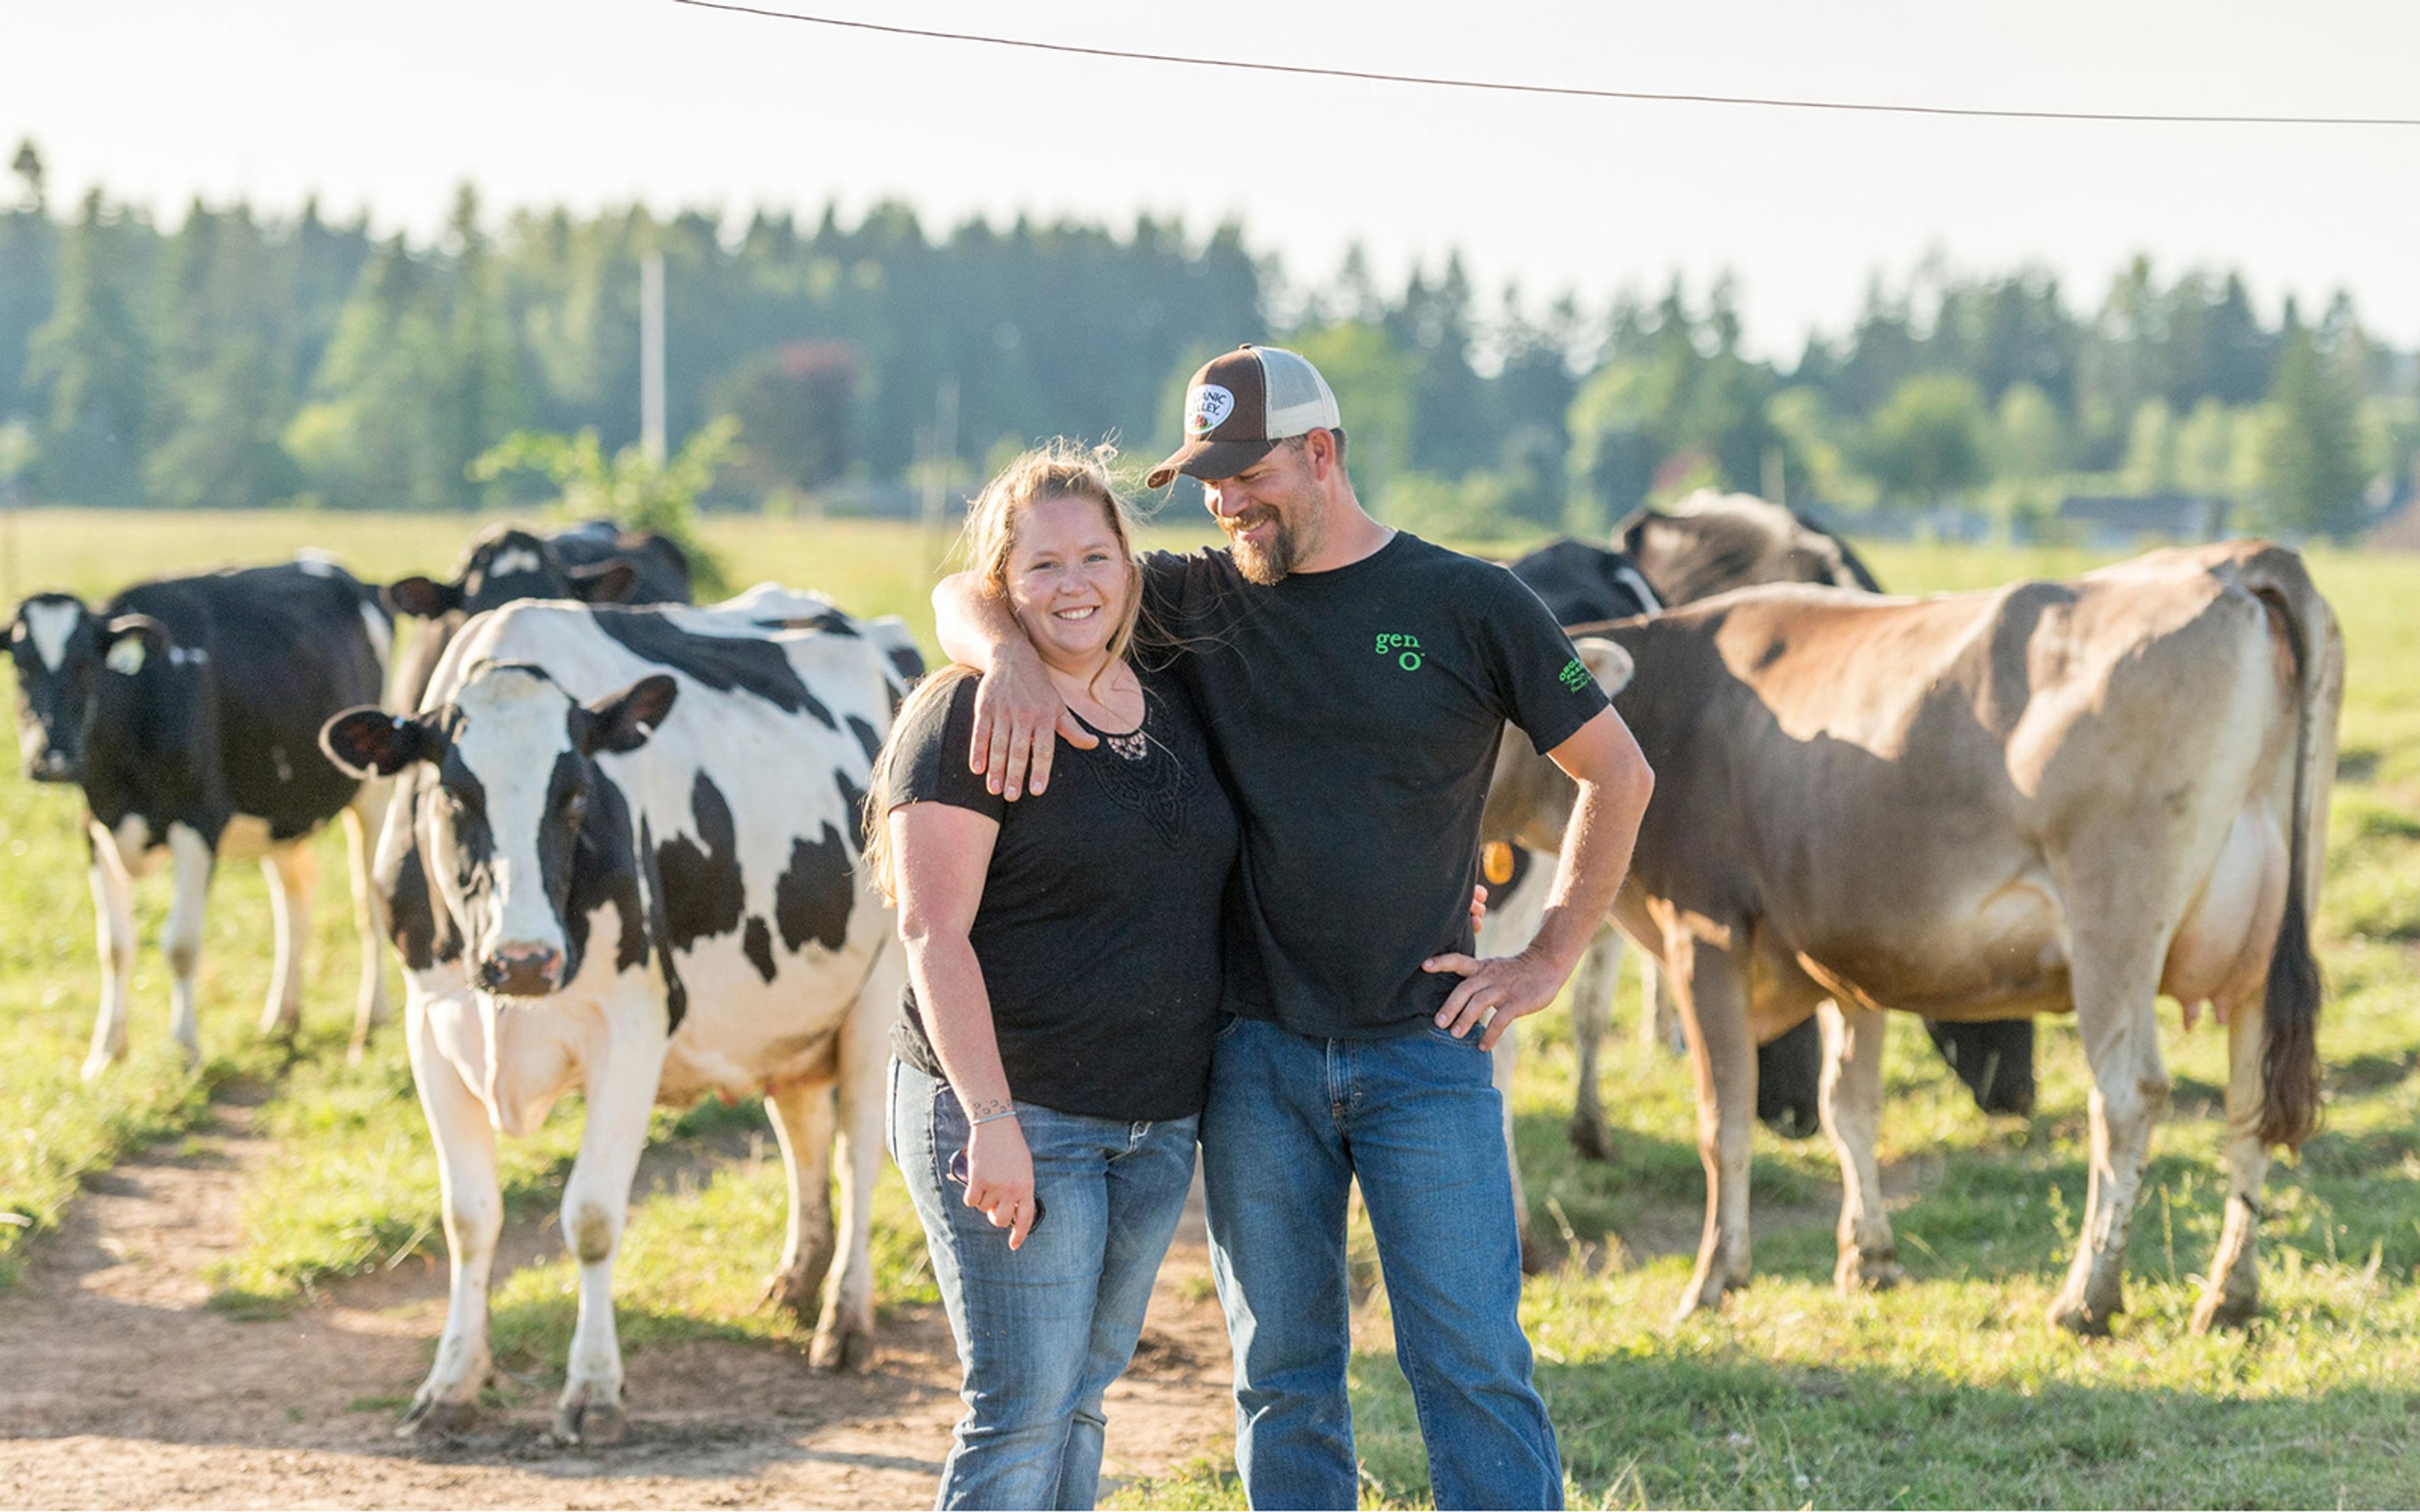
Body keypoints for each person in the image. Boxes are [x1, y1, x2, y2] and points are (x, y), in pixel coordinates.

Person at [935, 345, 1656, 1511]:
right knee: (1283, 1376)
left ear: (1321, 454)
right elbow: (975, 590)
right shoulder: (1199, 596)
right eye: (1207, 483)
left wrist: (1548, 957)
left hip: (1426, 1049)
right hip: (1256, 1056)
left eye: (1245, 475)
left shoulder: (1467, 603)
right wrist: (1009, 662)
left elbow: (1618, 775)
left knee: (1471, 1365)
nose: (1224, 504)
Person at [867, 442, 1240, 1509]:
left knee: (1082, 1394)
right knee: (1022, 1403)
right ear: (1002, 582)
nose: (1072, 586)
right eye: (1041, 568)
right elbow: (934, 935)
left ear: (1130, 564)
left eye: (1094, 558)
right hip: (1015, 1111)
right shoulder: (964, 718)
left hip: (1152, 1124)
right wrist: (989, 1120)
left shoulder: (1168, 692)